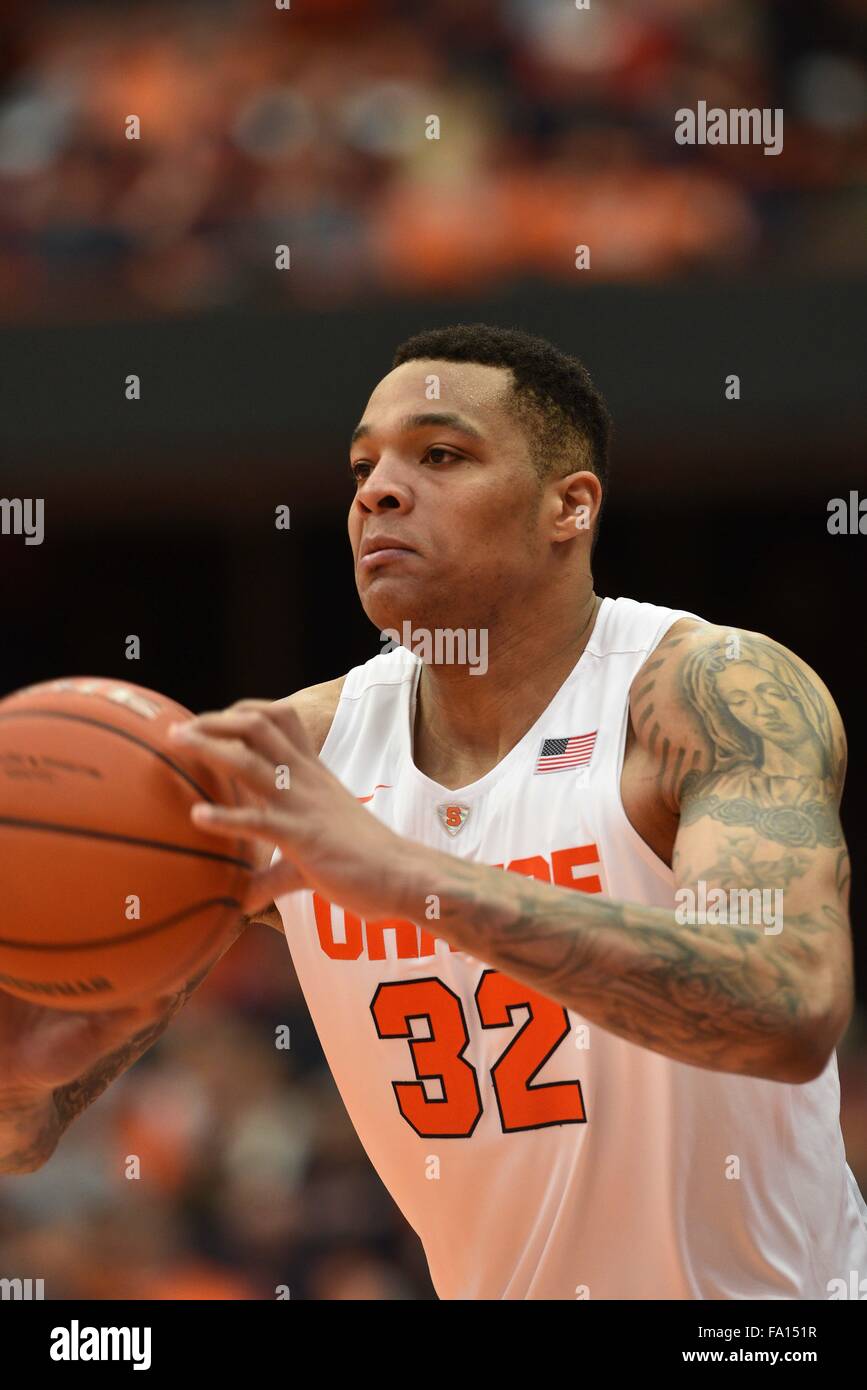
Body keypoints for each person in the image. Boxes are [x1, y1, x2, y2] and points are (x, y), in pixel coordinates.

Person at [3, 323, 865, 1300]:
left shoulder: (705, 690)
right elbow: (24, 1129)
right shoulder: (298, 756)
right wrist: (34, 1045)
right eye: (363, 465)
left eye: (441, 454)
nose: (378, 489)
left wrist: (408, 877)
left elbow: (788, 1005)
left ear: (567, 507)